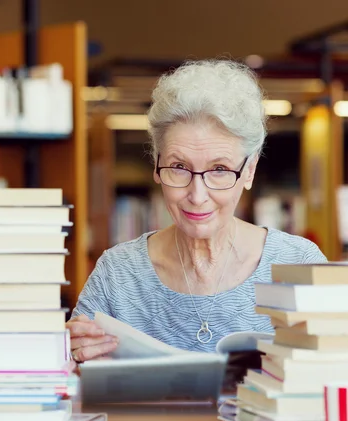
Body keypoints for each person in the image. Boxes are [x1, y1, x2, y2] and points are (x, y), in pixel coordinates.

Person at [67, 59, 327, 362]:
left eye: (219, 169)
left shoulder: (299, 264)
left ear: (249, 171)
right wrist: (71, 356)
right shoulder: (118, 273)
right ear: (156, 164)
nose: (197, 195)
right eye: (179, 167)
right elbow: (74, 380)